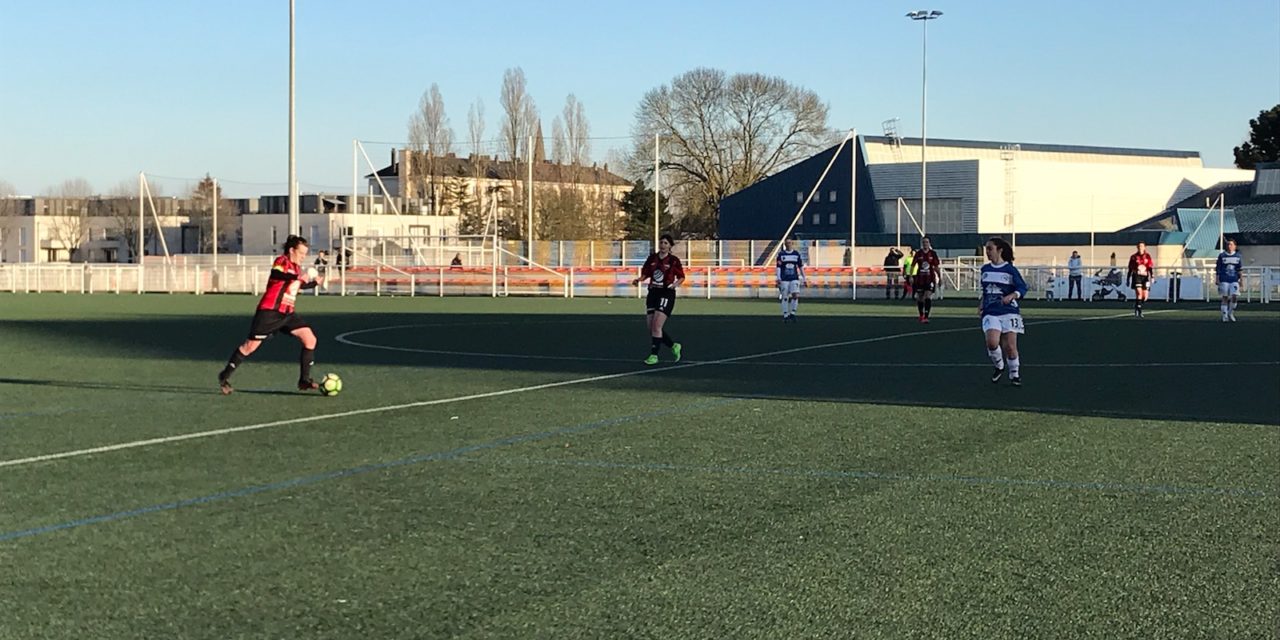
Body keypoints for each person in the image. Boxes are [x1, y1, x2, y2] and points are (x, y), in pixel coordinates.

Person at [218, 235, 324, 395]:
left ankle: (304, 380)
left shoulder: (296, 269)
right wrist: (297, 277)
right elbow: (277, 274)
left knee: (310, 339)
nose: (303, 257)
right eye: (301, 253)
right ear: (291, 250)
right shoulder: (282, 261)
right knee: (249, 347)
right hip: (269, 312)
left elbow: (299, 284)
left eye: (305, 254)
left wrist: (315, 282)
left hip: (287, 314)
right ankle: (224, 376)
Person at [980, 237, 1028, 387]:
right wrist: (981, 303)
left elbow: (1022, 288)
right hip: (991, 311)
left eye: (990, 249)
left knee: (1010, 347)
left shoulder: (1010, 270)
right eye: (986, 249)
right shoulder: (985, 270)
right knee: (992, 342)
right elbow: (985, 290)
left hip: (1009, 311)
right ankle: (999, 365)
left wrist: (1013, 295)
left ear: (999, 250)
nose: (987, 252)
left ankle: (1014, 374)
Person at [631, 234, 685, 365]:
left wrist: (675, 285)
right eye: (661, 242)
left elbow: (682, 277)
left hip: (666, 294)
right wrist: (639, 280)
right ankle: (673, 346)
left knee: (657, 326)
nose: (663, 245)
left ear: (670, 246)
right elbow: (646, 273)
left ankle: (654, 356)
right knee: (651, 328)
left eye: (666, 243)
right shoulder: (652, 258)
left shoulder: (673, 260)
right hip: (653, 293)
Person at [911, 237, 941, 323]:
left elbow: (936, 267)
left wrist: (939, 277)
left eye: (927, 242)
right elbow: (913, 265)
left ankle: (926, 316)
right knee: (920, 297)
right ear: (922, 243)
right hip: (920, 279)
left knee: (928, 296)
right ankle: (921, 315)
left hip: (930, 279)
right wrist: (910, 276)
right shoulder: (918, 253)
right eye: (924, 242)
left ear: (929, 243)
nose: (925, 244)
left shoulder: (933, 254)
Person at [776, 238, 806, 322]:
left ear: (792, 244)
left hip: (794, 278)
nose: (788, 244)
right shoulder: (781, 255)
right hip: (784, 279)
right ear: (785, 244)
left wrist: (804, 278)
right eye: (787, 243)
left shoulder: (796, 254)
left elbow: (801, 267)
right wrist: (778, 278)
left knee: (795, 295)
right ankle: (785, 315)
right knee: (785, 297)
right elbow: (778, 267)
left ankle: (792, 313)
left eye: (790, 243)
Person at [1216, 238, 1243, 322]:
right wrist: (1217, 279)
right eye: (1228, 244)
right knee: (1225, 297)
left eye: (1231, 244)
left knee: (1234, 296)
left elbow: (1240, 269)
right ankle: (1224, 315)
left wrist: (1241, 280)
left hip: (1234, 279)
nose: (1229, 246)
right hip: (1224, 279)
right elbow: (1218, 268)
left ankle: (1230, 312)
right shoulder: (1222, 255)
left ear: (1235, 246)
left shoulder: (1238, 256)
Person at [1126, 241, 1154, 318]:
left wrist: (1152, 277)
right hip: (1136, 277)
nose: (1140, 248)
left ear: (1144, 247)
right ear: (1137, 247)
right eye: (1139, 246)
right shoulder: (1134, 257)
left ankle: (1137, 306)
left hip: (1145, 278)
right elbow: (1130, 269)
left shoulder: (1147, 256)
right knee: (1139, 293)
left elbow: (1150, 267)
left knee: (1144, 297)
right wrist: (1128, 279)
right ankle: (1139, 311)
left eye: (1142, 246)